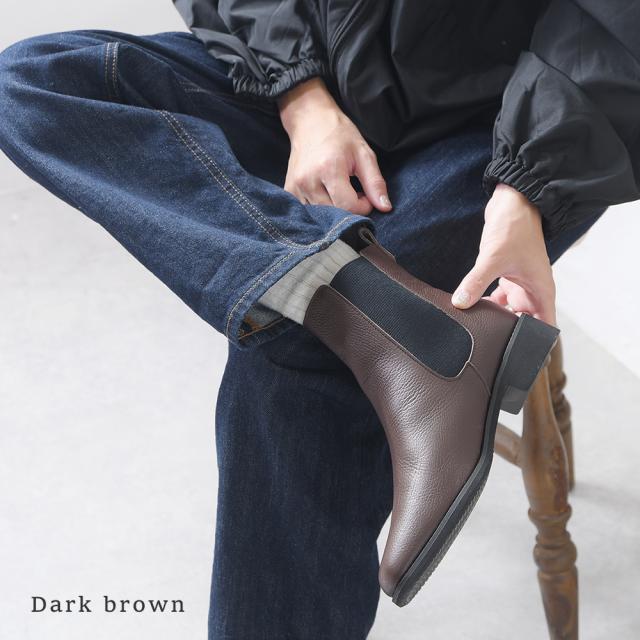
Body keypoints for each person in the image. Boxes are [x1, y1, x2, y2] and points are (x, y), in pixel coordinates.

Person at [0, 0, 638, 637]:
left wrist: (526, 182)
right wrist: (301, 98)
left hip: (508, 123)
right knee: (32, 81)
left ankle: (373, 316)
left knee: (292, 355)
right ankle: (394, 321)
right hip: (317, 79)